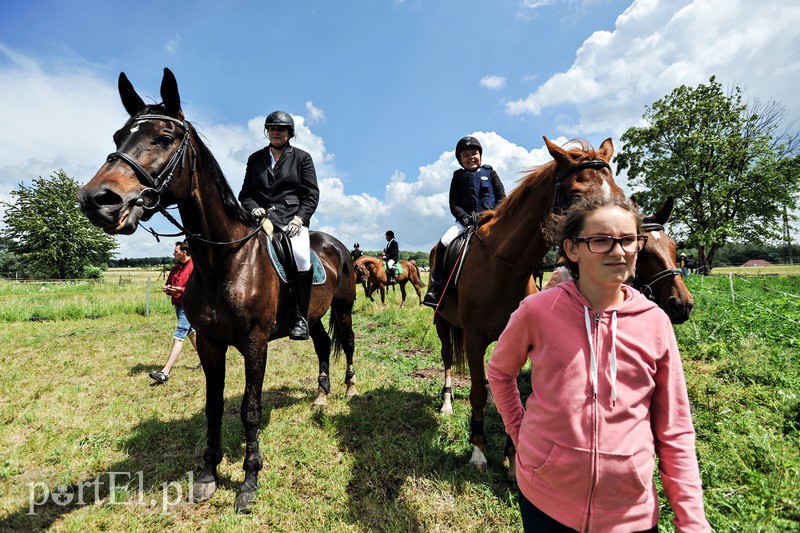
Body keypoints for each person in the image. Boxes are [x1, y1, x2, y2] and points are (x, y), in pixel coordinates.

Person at [487, 194, 710, 532]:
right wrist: (519, 432)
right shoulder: (535, 312)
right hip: (544, 499)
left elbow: (675, 429)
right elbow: (500, 371)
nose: (618, 251)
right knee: (450, 244)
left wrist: (692, 520)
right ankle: (440, 289)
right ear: (572, 249)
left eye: (628, 240)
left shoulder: (655, 323)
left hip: (629, 514)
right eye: (601, 241)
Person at [238, 110, 319, 340]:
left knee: (302, 258)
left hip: (291, 220)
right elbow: (245, 193)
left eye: (280, 129)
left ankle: (300, 318)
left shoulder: (302, 158)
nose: (275, 132)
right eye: (271, 129)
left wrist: (300, 218)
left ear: (290, 133)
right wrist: (253, 208)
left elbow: (311, 194)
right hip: (260, 220)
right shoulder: (256, 158)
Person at [423, 135, 506, 307]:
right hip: (465, 222)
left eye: (474, 153)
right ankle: (436, 287)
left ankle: (527, 279)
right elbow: (453, 203)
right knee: (444, 243)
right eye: (466, 155)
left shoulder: (490, 172)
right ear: (461, 160)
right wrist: (464, 217)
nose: (471, 157)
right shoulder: (458, 176)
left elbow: (502, 197)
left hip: (492, 221)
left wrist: (492, 214)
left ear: (480, 155)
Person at [150, 241, 199, 383]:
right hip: (178, 305)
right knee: (191, 333)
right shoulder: (175, 268)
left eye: (175, 251)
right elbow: (169, 284)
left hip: (189, 306)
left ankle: (165, 372)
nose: (173, 253)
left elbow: (199, 288)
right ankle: (205, 360)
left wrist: (181, 290)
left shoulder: (195, 267)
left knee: (179, 334)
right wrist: (168, 289)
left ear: (184, 252)